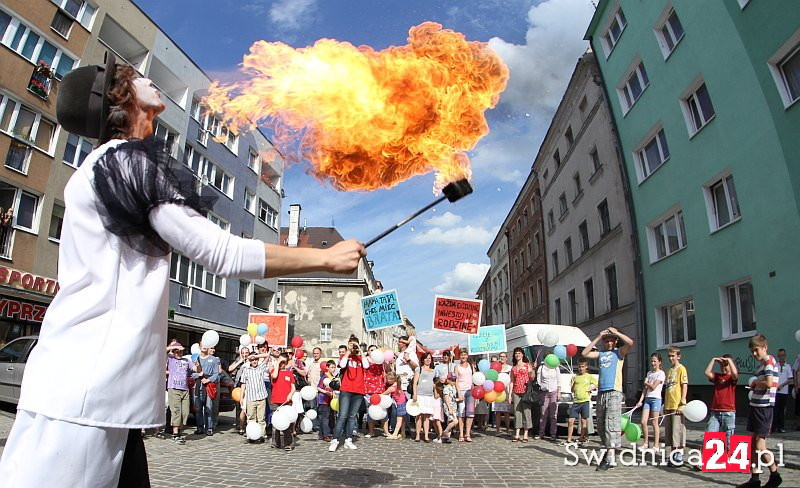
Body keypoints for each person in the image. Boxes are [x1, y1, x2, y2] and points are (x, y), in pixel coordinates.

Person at [0, 54, 366, 486]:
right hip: (84, 398)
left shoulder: (107, 166)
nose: (145, 78)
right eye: (132, 77)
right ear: (116, 99)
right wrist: (325, 258)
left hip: (92, 392)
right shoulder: (123, 162)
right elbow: (221, 253)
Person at [581, 326, 633, 471]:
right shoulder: (601, 354)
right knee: (602, 426)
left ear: (615, 341)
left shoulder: (619, 353)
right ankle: (610, 454)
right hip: (602, 393)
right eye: (606, 341)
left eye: (611, 341)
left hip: (614, 392)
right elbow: (585, 353)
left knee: (611, 425)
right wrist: (598, 337)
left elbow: (630, 343)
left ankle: (609, 457)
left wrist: (616, 333)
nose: (609, 343)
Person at [737, 334, 781, 488]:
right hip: (756, 406)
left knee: (760, 446)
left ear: (765, 347)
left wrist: (756, 382)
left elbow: (769, 383)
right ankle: (754, 478)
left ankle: (775, 474)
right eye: (752, 352)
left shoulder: (769, 361)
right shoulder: (760, 364)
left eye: (756, 350)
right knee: (752, 445)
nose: (754, 354)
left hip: (764, 409)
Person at [330, 336, 369, 452]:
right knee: (342, 416)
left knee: (352, 416)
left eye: (355, 344)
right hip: (346, 389)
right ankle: (335, 440)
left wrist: (360, 352)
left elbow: (366, 366)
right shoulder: (345, 357)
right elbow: (341, 365)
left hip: (359, 390)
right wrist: (348, 351)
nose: (354, 347)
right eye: (351, 344)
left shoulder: (361, 358)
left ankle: (348, 440)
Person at [662, 346, 688, 466]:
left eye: (673, 356)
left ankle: (678, 455)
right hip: (669, 404)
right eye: (669, 356)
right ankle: (672, 454)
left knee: (677, 430)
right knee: (670, 431)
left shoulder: (681, 369)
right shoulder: (669, 371)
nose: (671, 358)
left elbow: (684, 386)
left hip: (677, 404)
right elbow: (667, 388)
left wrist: (682, 403)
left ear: (678, 356)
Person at [704, 354, 738, 445]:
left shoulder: (731, 378)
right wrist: (713, 359)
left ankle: (728, 456)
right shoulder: (717, 377)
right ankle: (713, 456)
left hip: (728, 412)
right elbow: (707, 372)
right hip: (715, 412)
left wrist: (729, 360)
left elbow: (735, 373)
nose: (723, 368)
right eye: (721, 365)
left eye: (725, 365)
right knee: (710, 434)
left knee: (729, 438)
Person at [565, 356, 597, 447]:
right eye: (579, 367)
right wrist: (573, 384)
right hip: (576, 401)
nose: (581, 368)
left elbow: (597, 383)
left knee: (584, 420)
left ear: (586, 367)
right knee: (571, 421)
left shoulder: (589, 376)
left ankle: (581, 437)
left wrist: (591, 388)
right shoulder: (575, 377)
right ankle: (569, 439)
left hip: (585, 401)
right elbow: (572, 390)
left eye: (583, 366)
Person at [635, 353, 664, 451]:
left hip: (656, 399)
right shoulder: (649, 373)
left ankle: (656, 445)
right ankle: (646, 443)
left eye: (655, 361)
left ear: (659, 362)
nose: (653, 363)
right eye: (652, 361)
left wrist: (646, 382)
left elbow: (653, 386)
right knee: (643, 421)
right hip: (647, 399)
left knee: (654, 422)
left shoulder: (661, 373)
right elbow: (645, 389)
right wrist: (640, 401)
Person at [240, 352, 271, 443]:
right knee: (251, 418)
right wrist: (242, 397)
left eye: (255, 359)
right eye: (252, 360)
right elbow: (243, 384)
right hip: (251, 397)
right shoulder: (246, 370)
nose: (254, 361)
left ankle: (261, 435)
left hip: (261, 396)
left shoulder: (261, 368)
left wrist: (256, 356)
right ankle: (251, 435)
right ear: (249, 360)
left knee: (261, 418)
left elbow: (267, 355)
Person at [166, 342, 192, 444]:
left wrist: (198, 367)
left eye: (181, 351)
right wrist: (174, 347)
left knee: (185, 412)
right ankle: (175, 434)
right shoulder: (171, 359)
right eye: (178, 351)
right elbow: (162, 350)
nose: (179, 353)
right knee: (176, 411)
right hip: (174, 388)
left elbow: (196, 369)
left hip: (185, 389)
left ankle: (179, 430)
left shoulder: (186, 360)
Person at [270, 353, 296, 450]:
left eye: (283, 362)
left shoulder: (289, 374)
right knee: (275, 423)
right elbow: (274, 376)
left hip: (286, 402)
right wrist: (277, 363)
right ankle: (275, 442)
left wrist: (290, 394)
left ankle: (288, 443)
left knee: (287, 424)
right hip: (275, 401)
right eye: (281, 362)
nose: (282, 365)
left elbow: (293, 387)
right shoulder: (274, 371)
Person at [193, 346, 221, 436]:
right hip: (198, 386)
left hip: (208, 386)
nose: (204, 347)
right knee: (198, 409)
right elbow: (191, 373)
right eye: (202, 345)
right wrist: (199, 375)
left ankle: (209, 428)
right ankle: (199, 428)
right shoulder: (195, 358)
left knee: (209, 408)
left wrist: (208, 380)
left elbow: (216, 374)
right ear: (199, 346)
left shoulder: (213, 359)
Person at [510, 347, 534, 443]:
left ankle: (526, 433)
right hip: (516, 391)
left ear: (522, 355)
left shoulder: (527, 365)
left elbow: (532, 378)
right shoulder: (513, 368)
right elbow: (512, 381)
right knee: (517, 412)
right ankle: (517, 433)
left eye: (519, 353)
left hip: (525, 391)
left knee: (526, 412)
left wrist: (530, 371)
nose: (518, 355)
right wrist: (510, 394)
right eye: (516, 353)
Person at [364, 344, 387, 438]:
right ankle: (371, 431)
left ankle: (386, 431)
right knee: (370, 410)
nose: (373, 352)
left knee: (383, 409)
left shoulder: (380, 361)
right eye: (371, 350)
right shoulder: (365, 361)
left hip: (380, 388)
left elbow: (385, 371)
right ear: (368, 352)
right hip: (368, 389)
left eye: (375, 350)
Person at [413, 352, 436, 443]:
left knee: (427, 417)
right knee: (419, 416)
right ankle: (418, 435)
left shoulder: (433, 371)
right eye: (426, 358)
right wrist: (415, 394)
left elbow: (433, 382)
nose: (428, 360)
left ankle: (426, 435)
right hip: (420, 394)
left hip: (429, 395)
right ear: (423, 360)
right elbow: (415, 383)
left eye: (429, 358)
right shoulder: (419, 369)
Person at [229, 346, 252, 435]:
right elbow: (230, 369)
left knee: (248, 406)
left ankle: (247, 425)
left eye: (247, 353)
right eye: (243, 353)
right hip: (239, 385)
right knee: (239, 406)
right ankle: (239, 425)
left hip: (249, 385)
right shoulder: (238, 360)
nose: (245, 355)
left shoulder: (252, 360)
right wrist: (240, 361)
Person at [455, 348, 475, 442]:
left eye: (465, 354)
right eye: (461, 355)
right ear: (460, 356)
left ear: (467, 356)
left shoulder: (471, 366)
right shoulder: (457, 367)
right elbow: (456, 380)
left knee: (470, 413)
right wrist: (458, 392)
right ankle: (461, 434)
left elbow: (475, 377)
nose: (463, 356)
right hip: (461, 391)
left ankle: (467, 433)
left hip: (470, 391)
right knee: (461, 414)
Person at [537, 356, 560, 442]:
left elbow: (559, 380)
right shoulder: (541, 368)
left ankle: (553, 434)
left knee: (553, 414)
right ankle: (541, 433)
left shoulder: (556, 368)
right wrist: (542, 387)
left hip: (554, 390)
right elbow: (538, 380)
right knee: (543, 413)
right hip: (544, 392)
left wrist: (559, 392)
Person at [773, 348, 792, 434]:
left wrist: (782, 385)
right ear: (778, 356)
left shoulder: (788, 366)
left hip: (784, 391)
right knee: (775, 410)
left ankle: (781, 427)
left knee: (781, 410)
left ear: (785, 356)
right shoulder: (775, 366)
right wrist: (775, 385)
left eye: (783, 355)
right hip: (775, 391)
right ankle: (773, 427)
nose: (781, 357)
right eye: (780, 356)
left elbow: (790, 379)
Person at [492, 352, 512, 435]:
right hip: (497, 391)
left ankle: (507, 430)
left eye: (504, 356)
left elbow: (511, 381)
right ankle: (498, 430)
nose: (502, 358)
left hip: (506, 391)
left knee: (507, 412)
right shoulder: (496, 368)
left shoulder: (510, 368)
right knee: (498, 412)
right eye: (500, 356)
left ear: (506, 358)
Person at [317, 359, 337, 441]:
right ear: (327, 368)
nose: (333, 369)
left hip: (331, 401)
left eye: (334, 367)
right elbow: (318, 387)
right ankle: (326, 434)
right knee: (325, 417)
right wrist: (326, 392)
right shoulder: (324, 377)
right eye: (332, 367)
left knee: (330, 417)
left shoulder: (334, 377)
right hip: (323, 400)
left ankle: (323, 433)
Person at [385, 372, 408, 439]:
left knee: (399, 420)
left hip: (400, 404)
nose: (387, 380)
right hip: (404, 402)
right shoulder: (397, 384)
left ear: (393, 379)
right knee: (403, 419)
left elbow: (383, 394)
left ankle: (395, 434)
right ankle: (403, 433)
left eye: (388, 379)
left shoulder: (392, 388)